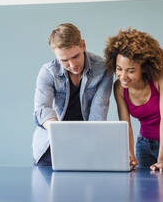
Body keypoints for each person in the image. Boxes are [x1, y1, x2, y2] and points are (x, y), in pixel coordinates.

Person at [104, 28, 163, 172]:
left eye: (131, 70)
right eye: (119, 69)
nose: (123, 76)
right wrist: (129, 154)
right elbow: (125, 125)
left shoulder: (162, 75)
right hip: (143, 143)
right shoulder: (119, 88)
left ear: (144, 68)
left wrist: (162, 160)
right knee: (143, 189)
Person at [32, 23, 113, 165]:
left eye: (76, 56)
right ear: (56, 55)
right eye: (64, 60)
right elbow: (42, 110)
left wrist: (81, 144)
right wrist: (62, 134)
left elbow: (98, 114)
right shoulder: (48, 72)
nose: (72, 64)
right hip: (51, 146)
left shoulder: (103, 69)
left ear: (83, 45)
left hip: (88, 144)